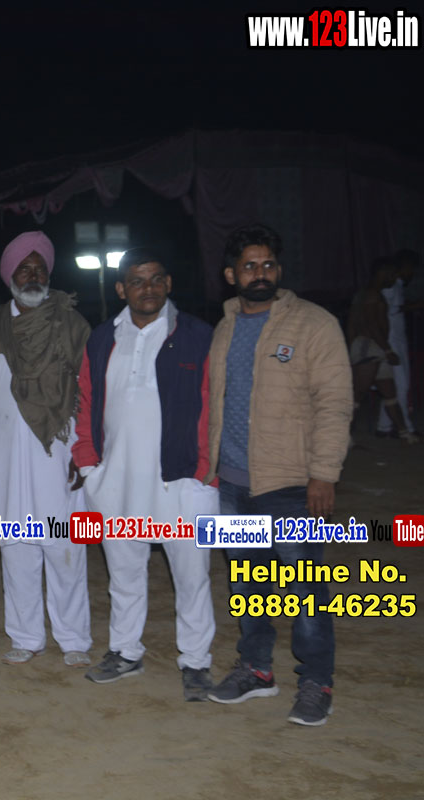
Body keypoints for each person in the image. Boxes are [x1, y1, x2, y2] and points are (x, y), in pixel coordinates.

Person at [205, 223, 352, 726]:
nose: (260, 273)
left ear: (279, 269)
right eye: (249, 266)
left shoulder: (314, 324)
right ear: (231, 275)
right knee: (248, 586)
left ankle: (316, 682)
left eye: (268, 264)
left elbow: (335, 403)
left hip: (291, 482)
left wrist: (324, 473)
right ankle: (256, 670)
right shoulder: (224, 328)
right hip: (233, 482)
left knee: (305, 590)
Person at [72, 247, 218, 700]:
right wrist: (89, 466)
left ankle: (196, 662)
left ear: (169, 284)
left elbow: (215, 403)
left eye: (156, 279)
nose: (148, 288)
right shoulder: (102, 338)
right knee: (124, 574)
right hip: (116, 481)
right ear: (122, 289)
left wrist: (204, 472)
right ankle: (125, 651)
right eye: (137, 281)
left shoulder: (198, 335)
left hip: (183, 481)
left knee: (191, 577)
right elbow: (85, 402)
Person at [0, 231, 92, 668]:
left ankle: (74, 639)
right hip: (4, 458)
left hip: (59, 455)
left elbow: (88, 395)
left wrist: (82, 453)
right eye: (24, 269)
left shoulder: (72, 325)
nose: (33, 275)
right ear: (10, 276)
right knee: (17, 550)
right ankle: (25, 637)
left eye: (40, 268)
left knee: (64, 549)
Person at [349, 260, 419, 443]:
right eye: (392, 275)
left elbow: (353, 324)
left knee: (390, 393)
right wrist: (388, 350)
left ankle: (404, 432)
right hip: (369, 347)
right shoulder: (372, 295)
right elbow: (372, 325)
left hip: (375, 347)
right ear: (383, 273)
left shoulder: (368, 294)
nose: (395, 279)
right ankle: (343, 437)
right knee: (357, 395)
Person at [377, 251, 417, 436]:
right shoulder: (390, 286)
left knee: (393, 385)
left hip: (398, 341)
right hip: (391, 342)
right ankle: (405, 427)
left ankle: (384, 426)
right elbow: (385, 310)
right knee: (400, 385)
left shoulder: (398, 286)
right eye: (411, 268)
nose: (412, 273)